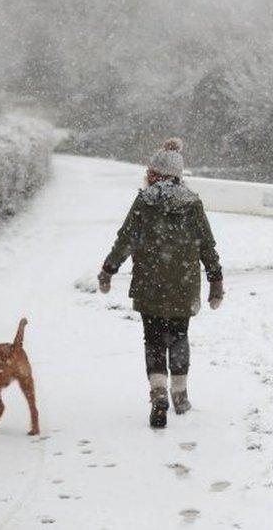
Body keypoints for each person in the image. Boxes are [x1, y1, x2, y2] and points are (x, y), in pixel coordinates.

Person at [98, 138, 224, 429]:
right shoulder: (192, 203)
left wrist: (109, 269)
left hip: (150, 283)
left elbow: (126, 239)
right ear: (178, 175)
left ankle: (158, 395)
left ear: (154, 173)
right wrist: (215, 281)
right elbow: (207, 245)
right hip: (183, 283)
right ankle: (180, 395)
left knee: (154, 339)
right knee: (179, 336)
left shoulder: (145, 201)